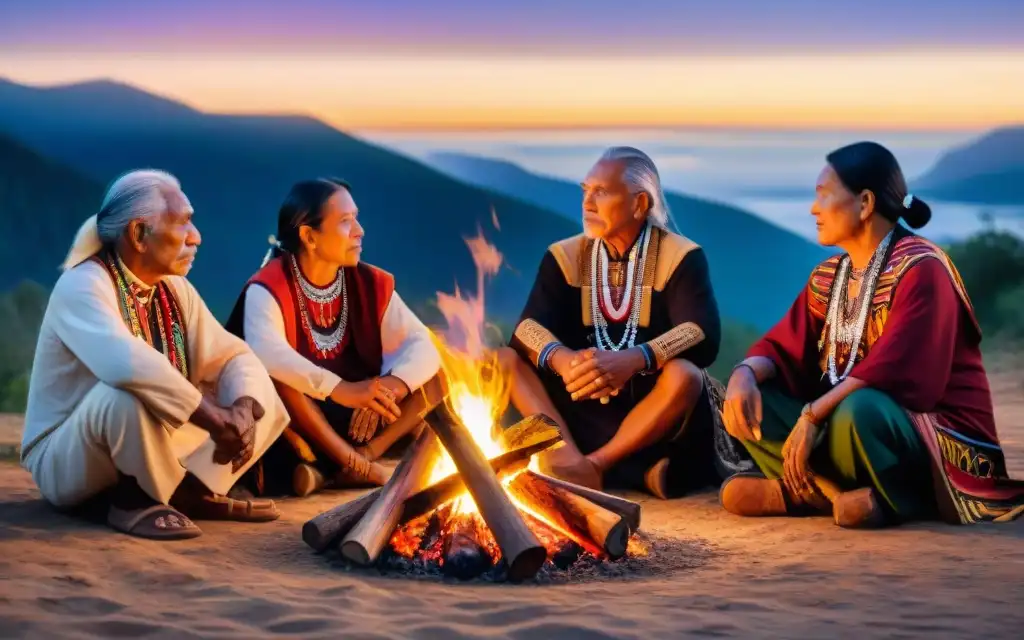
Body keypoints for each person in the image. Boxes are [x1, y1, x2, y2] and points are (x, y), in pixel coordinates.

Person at [720, 141, 1024, 528]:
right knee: (750, 401)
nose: (814, 209)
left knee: (858, 410)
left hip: (931, 441)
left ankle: (885, 499)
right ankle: (835, 495)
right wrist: (744, 375)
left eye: (823, 196)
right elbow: (782, 346)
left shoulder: (922, 269)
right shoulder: (828, 278)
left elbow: (902, 373)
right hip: (847, 430)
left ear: (864, 203)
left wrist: (813, 414)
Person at [20, 170, 289, 540]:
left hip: (146, 438)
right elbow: (125, 363)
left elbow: (233, 355)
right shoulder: (82, 285)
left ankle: (190, 493)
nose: (196, 237)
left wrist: (241, 410)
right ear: (138, 234)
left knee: (256, 389)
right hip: (68, 458)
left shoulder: (175, 289)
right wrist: (212, 417)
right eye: (183, 223)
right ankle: (134, 499)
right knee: (126, 391)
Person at [500, 147, 750, 498]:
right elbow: (526, 330)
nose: (588, 202)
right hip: (578, 403)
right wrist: (566, 361)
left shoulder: (681, 256)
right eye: (585, 190)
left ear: (639, 204)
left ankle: (596, 467)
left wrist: (632, 360)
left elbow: (700, 332)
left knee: (685, 375)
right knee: (505, 361)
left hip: (649, 412)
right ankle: (573, 459)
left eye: (601, 192)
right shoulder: (564, 255)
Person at [226, 178, 442, 497]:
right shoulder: (268, 286)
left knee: (436, 379)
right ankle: (352, 465)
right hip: (294, 421)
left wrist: (387, 390)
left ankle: (358, 458)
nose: (359, 230)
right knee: (279, 379)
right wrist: (343, 390)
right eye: (345, 221)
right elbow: (267, 352)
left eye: (355, 218)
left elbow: (422, 345)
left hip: (354, 420)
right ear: (309, 236)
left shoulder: (369, 282)